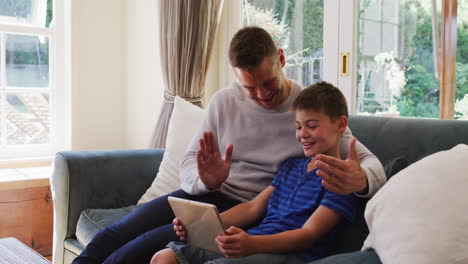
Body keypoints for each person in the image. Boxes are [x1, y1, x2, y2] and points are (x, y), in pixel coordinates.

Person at [72, 26, 385, 264]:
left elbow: (367, 161)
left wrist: (361, 181)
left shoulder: (307, 108)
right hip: (205, 196)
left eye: (269, 83)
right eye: (251, 88)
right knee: (115, 233)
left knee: (141, 248)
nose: (262, 95)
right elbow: (188, 164)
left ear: (280, 59)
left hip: (248, 210)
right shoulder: (224, 101)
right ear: (238, 79)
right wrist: (205, 180)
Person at [150, 82, 357, 264]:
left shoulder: (341, 182)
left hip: (291, 254)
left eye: (311, 126)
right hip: (254, 243)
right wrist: (200, 224)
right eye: (298, 126)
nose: (302, 134)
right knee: (164, 257)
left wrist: (253, 244)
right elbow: (251, 208)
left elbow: (309, 234)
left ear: (340, 124)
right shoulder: (291, 167)